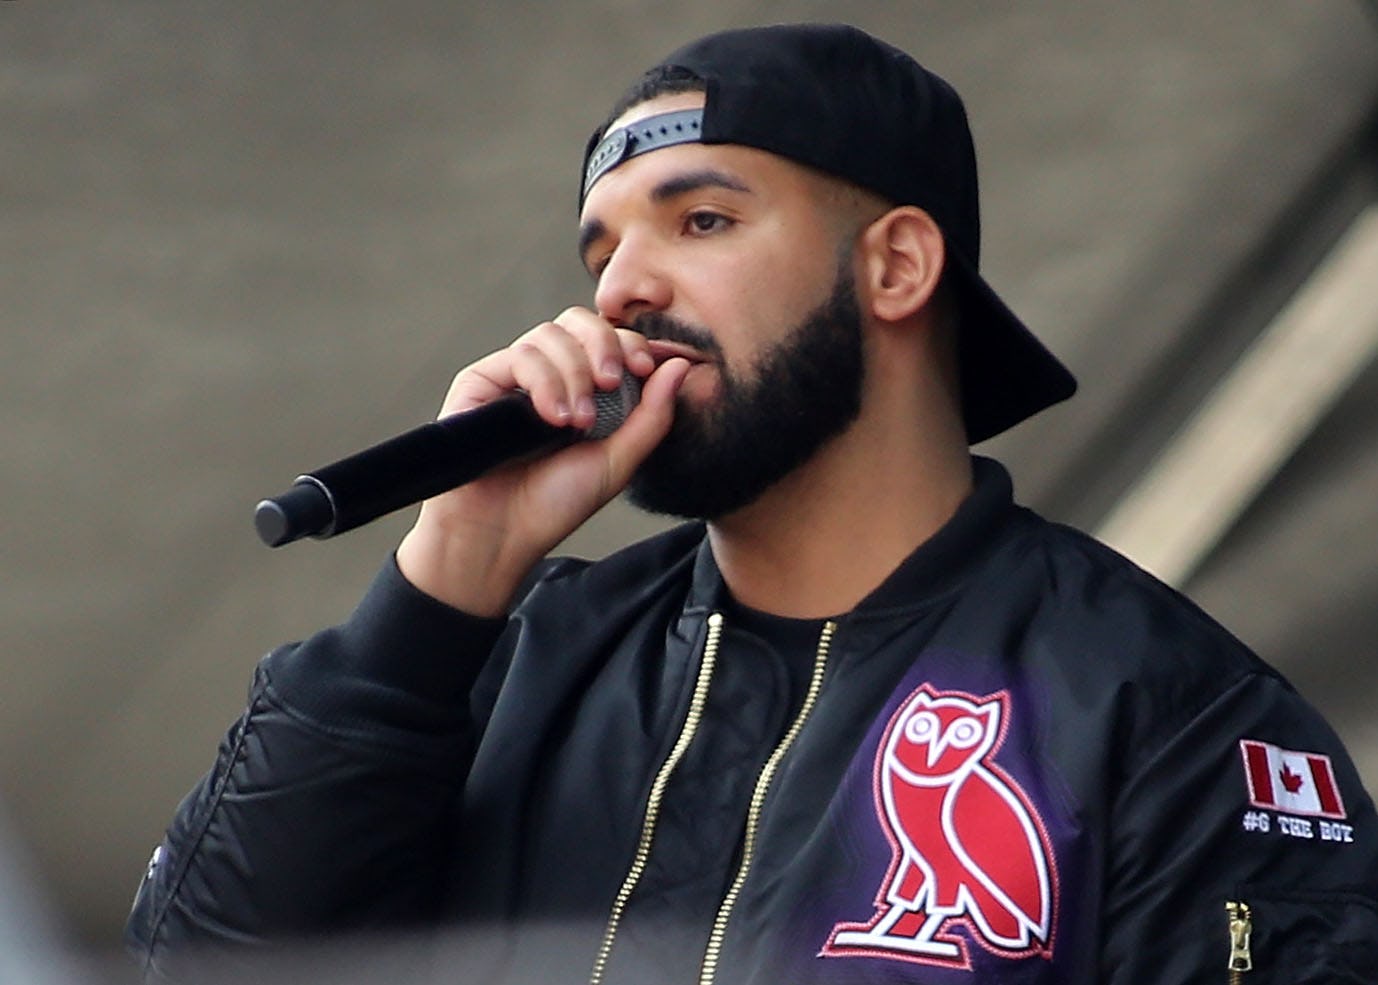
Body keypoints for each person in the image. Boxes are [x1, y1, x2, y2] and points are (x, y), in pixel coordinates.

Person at [126, 22, 1378, 985]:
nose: (621, 290)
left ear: (895, 265)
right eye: (601, 251)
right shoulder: (512, 662)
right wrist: (449, 564)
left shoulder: (1162, 707)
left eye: (702, 220)